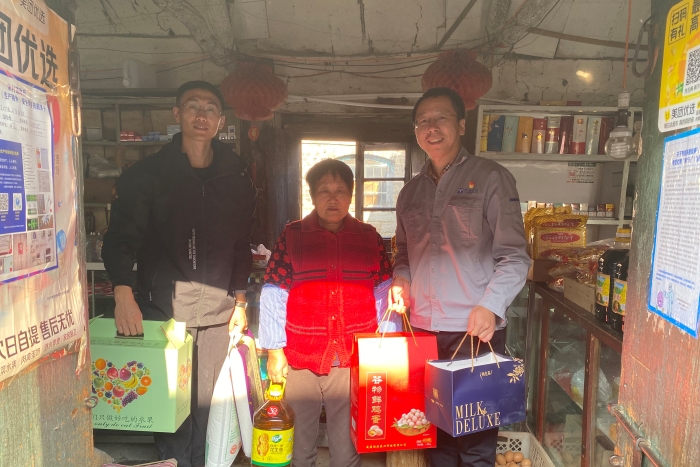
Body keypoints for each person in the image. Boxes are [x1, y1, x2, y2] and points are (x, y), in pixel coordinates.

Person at [102, 80, 257, 467]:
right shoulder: (148, 174)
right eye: (193, 106)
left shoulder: (236, 176)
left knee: (210, 409)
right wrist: (123, 293)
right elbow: (120, 237)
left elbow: (242, 243)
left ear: (220, 121)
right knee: (171, 412)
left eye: (210, 108)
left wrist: (240, 302)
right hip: (164, 312)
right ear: (177, 114)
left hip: (218, 315)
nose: (201, 115)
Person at [389, 87, 530, 467]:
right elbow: (404, 254)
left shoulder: (492, 177)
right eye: (423, 121)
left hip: (475, 330)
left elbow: (515, 256)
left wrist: (491, 305)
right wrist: (401, 281)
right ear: (416, 131)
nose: (431, 127)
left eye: (441, 118)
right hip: (422, 331)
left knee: (475, 442)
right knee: (435, 438)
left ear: (462, 125)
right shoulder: (409, 193)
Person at [259, 159, 394, 467]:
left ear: (351, 195)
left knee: (347, 450)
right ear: (312, 195)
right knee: (298, 446)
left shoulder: (369, 237)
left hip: (352, 359)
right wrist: (275, 350)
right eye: (324, 191)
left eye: (340, 190)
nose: (333, 199)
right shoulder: (292, 236)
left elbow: (384, 293)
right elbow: (274, 291)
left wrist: (386, 346)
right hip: (300, 358)